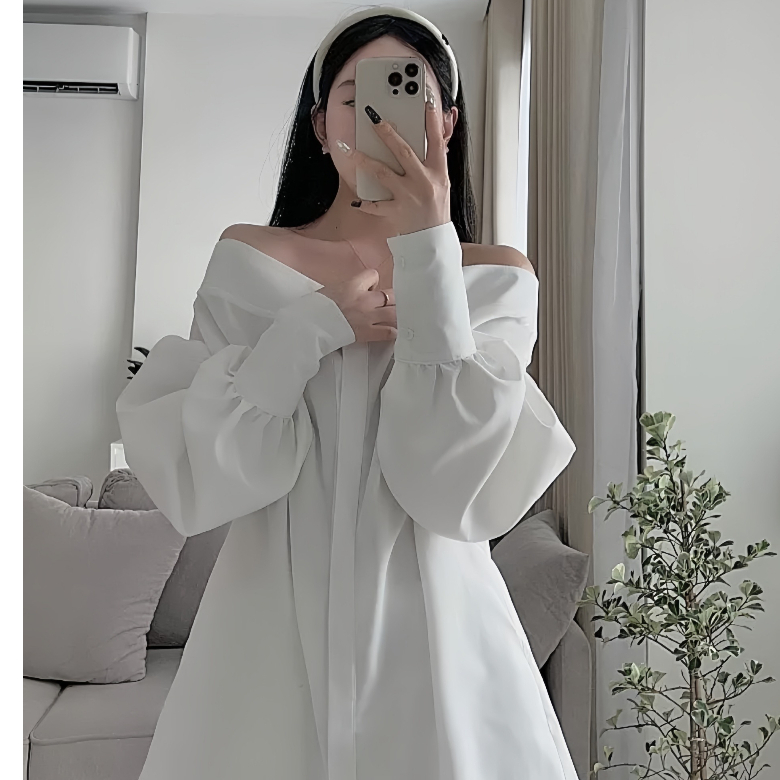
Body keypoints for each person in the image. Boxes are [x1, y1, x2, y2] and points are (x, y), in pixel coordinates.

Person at [116, 7, 578, 779]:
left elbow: (449, 482)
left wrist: (429, 255)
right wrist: (309, 329)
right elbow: (216, 476)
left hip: (440, 632)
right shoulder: (249, 260)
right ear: (320, 123)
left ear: (448, 121)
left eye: (407, 94)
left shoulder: (496, 278)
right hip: (266, 625)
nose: (380, 119)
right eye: (354, 99)